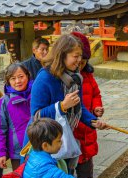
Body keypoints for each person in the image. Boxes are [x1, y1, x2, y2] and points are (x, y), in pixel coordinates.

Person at [29, 34, 108, 171]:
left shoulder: (75, 77)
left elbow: (79, 106)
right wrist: (61, 106)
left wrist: (93, 121)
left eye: (80, 56)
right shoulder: (44, 78)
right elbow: (36, 115)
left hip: (65, 139)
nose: (79, 61)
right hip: (45, 143)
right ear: (62, 54)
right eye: (75, 56)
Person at [72, 32, 104, 178]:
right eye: (77, 60)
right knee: (70, 177)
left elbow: (96, 94)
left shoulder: (88, 77)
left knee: (86, 173)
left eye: (83, 61)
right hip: (72, 133)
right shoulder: (61, 79)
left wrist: (97, 107)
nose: (80, 64)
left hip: (88, 129)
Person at [0, 63, 33, 171]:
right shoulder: (4, 101)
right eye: (13, 78)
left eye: (21, 77)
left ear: (27, 76)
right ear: (8, 81)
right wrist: (0, 153)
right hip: (18, 152)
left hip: (41, 147)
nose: (17, 81)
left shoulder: (37, 94)